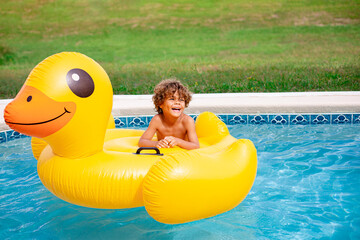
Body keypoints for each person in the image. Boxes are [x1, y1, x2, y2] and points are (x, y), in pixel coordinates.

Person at [138, 79, 200, 150]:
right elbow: (142, 142)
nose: (177, 102)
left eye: (181, 100)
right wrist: (156, 144)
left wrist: (178, 141)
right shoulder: (157, 120)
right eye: (172, 99)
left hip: (182, 154)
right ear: (160, 103)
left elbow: (195, 146)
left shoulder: (187, 121)